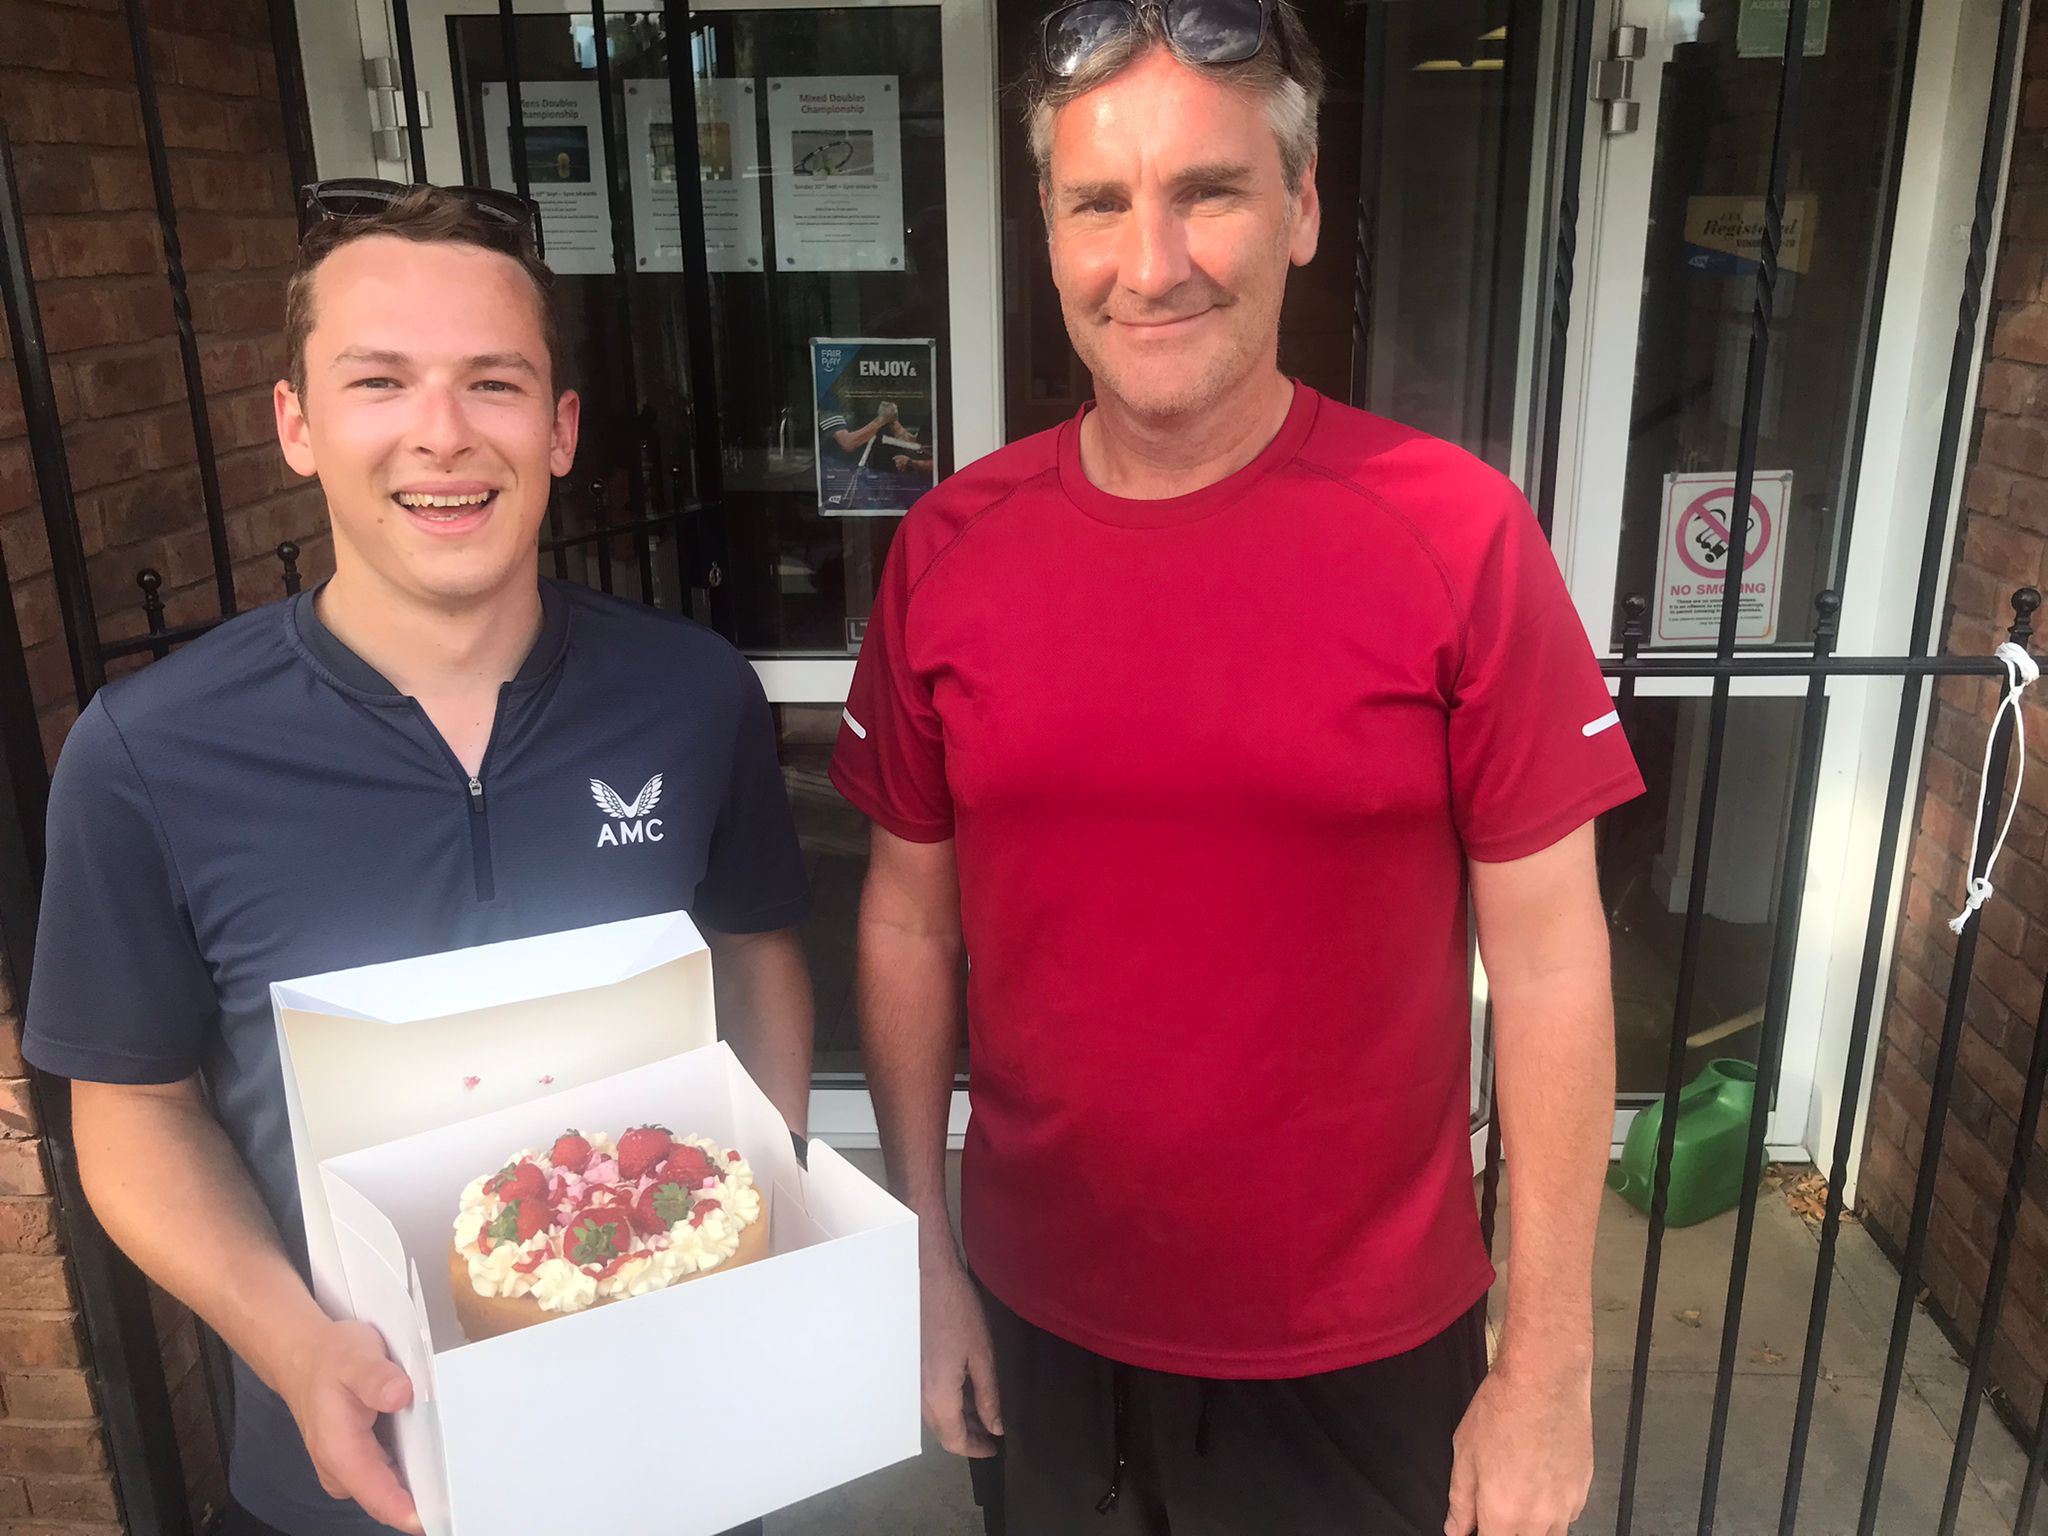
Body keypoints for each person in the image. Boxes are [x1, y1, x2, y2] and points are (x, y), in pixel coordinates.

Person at [827, 1, 1645, 1532]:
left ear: (1304, 206)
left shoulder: (1455, 533)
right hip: (1038, 1317)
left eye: (1208, 191)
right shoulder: (951, 548)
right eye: (1098, 205)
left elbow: (1548, 964)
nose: (1153, 264)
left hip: (1359, 1352)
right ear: (1053, 235)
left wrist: (1546, 1369)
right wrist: (923, 1254)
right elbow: (904, 920)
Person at [22, 183, 814, 1536]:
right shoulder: (149, 754)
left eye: (494, 384)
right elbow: (132, 1111)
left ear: (560, 430)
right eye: (378, 380)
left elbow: (757, 960)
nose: (441, 436)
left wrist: (759, 1211)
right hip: (350, 1468)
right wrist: (291, 1343)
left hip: (668, 1437)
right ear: (297, 423)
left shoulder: (689, 696)